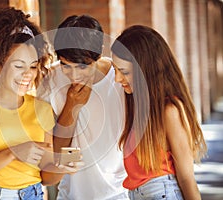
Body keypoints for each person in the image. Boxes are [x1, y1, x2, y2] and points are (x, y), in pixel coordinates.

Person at [0, 8, 77, 200]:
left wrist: (63, 166)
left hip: (33, 194)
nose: (28, 74)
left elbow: (47, 178)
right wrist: (12, 153)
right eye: (18, 65)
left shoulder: (42, 109)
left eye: (33, 66)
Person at [111, 25, 207, 200]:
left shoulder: (169, 110)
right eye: (114, 69)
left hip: (162, 193)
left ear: (145, 69)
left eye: (124, 72)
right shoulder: (140, 106)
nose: (117, 79)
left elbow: (186, 178)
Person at [37, 15, 129, 199]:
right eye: (66, 66)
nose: (74, 76)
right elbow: (55, 154)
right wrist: (72, 107)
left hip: (120, 193)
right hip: (71, 194)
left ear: (99, 53)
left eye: (82, 67)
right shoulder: (50, 81)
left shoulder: (120, 80)